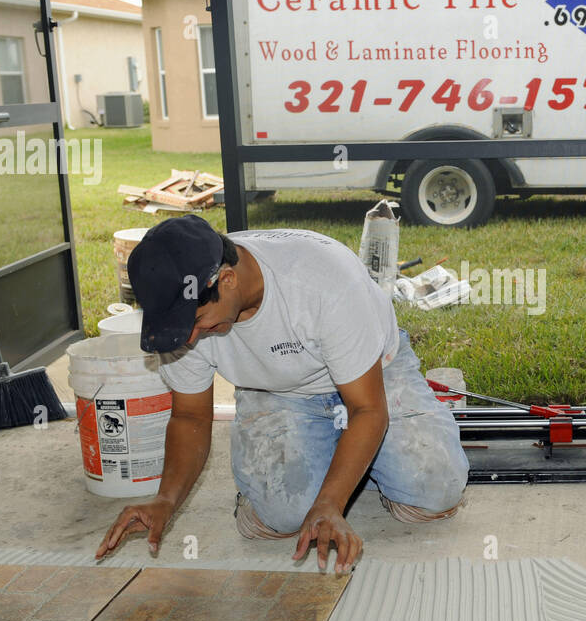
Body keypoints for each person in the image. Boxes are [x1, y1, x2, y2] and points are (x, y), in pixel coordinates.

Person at [95, 214, 469, 572]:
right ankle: (342, 462)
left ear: (226, 280)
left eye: (194, 322)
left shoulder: (323, 282)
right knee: (282, 516)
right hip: (274, 388)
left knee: (434, 489)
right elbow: (190, 416)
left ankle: (354, 465)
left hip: (374, 373)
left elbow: (368, 410)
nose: (189, 339)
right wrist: (165, 500)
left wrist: (329, 503)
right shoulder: (183, 320)